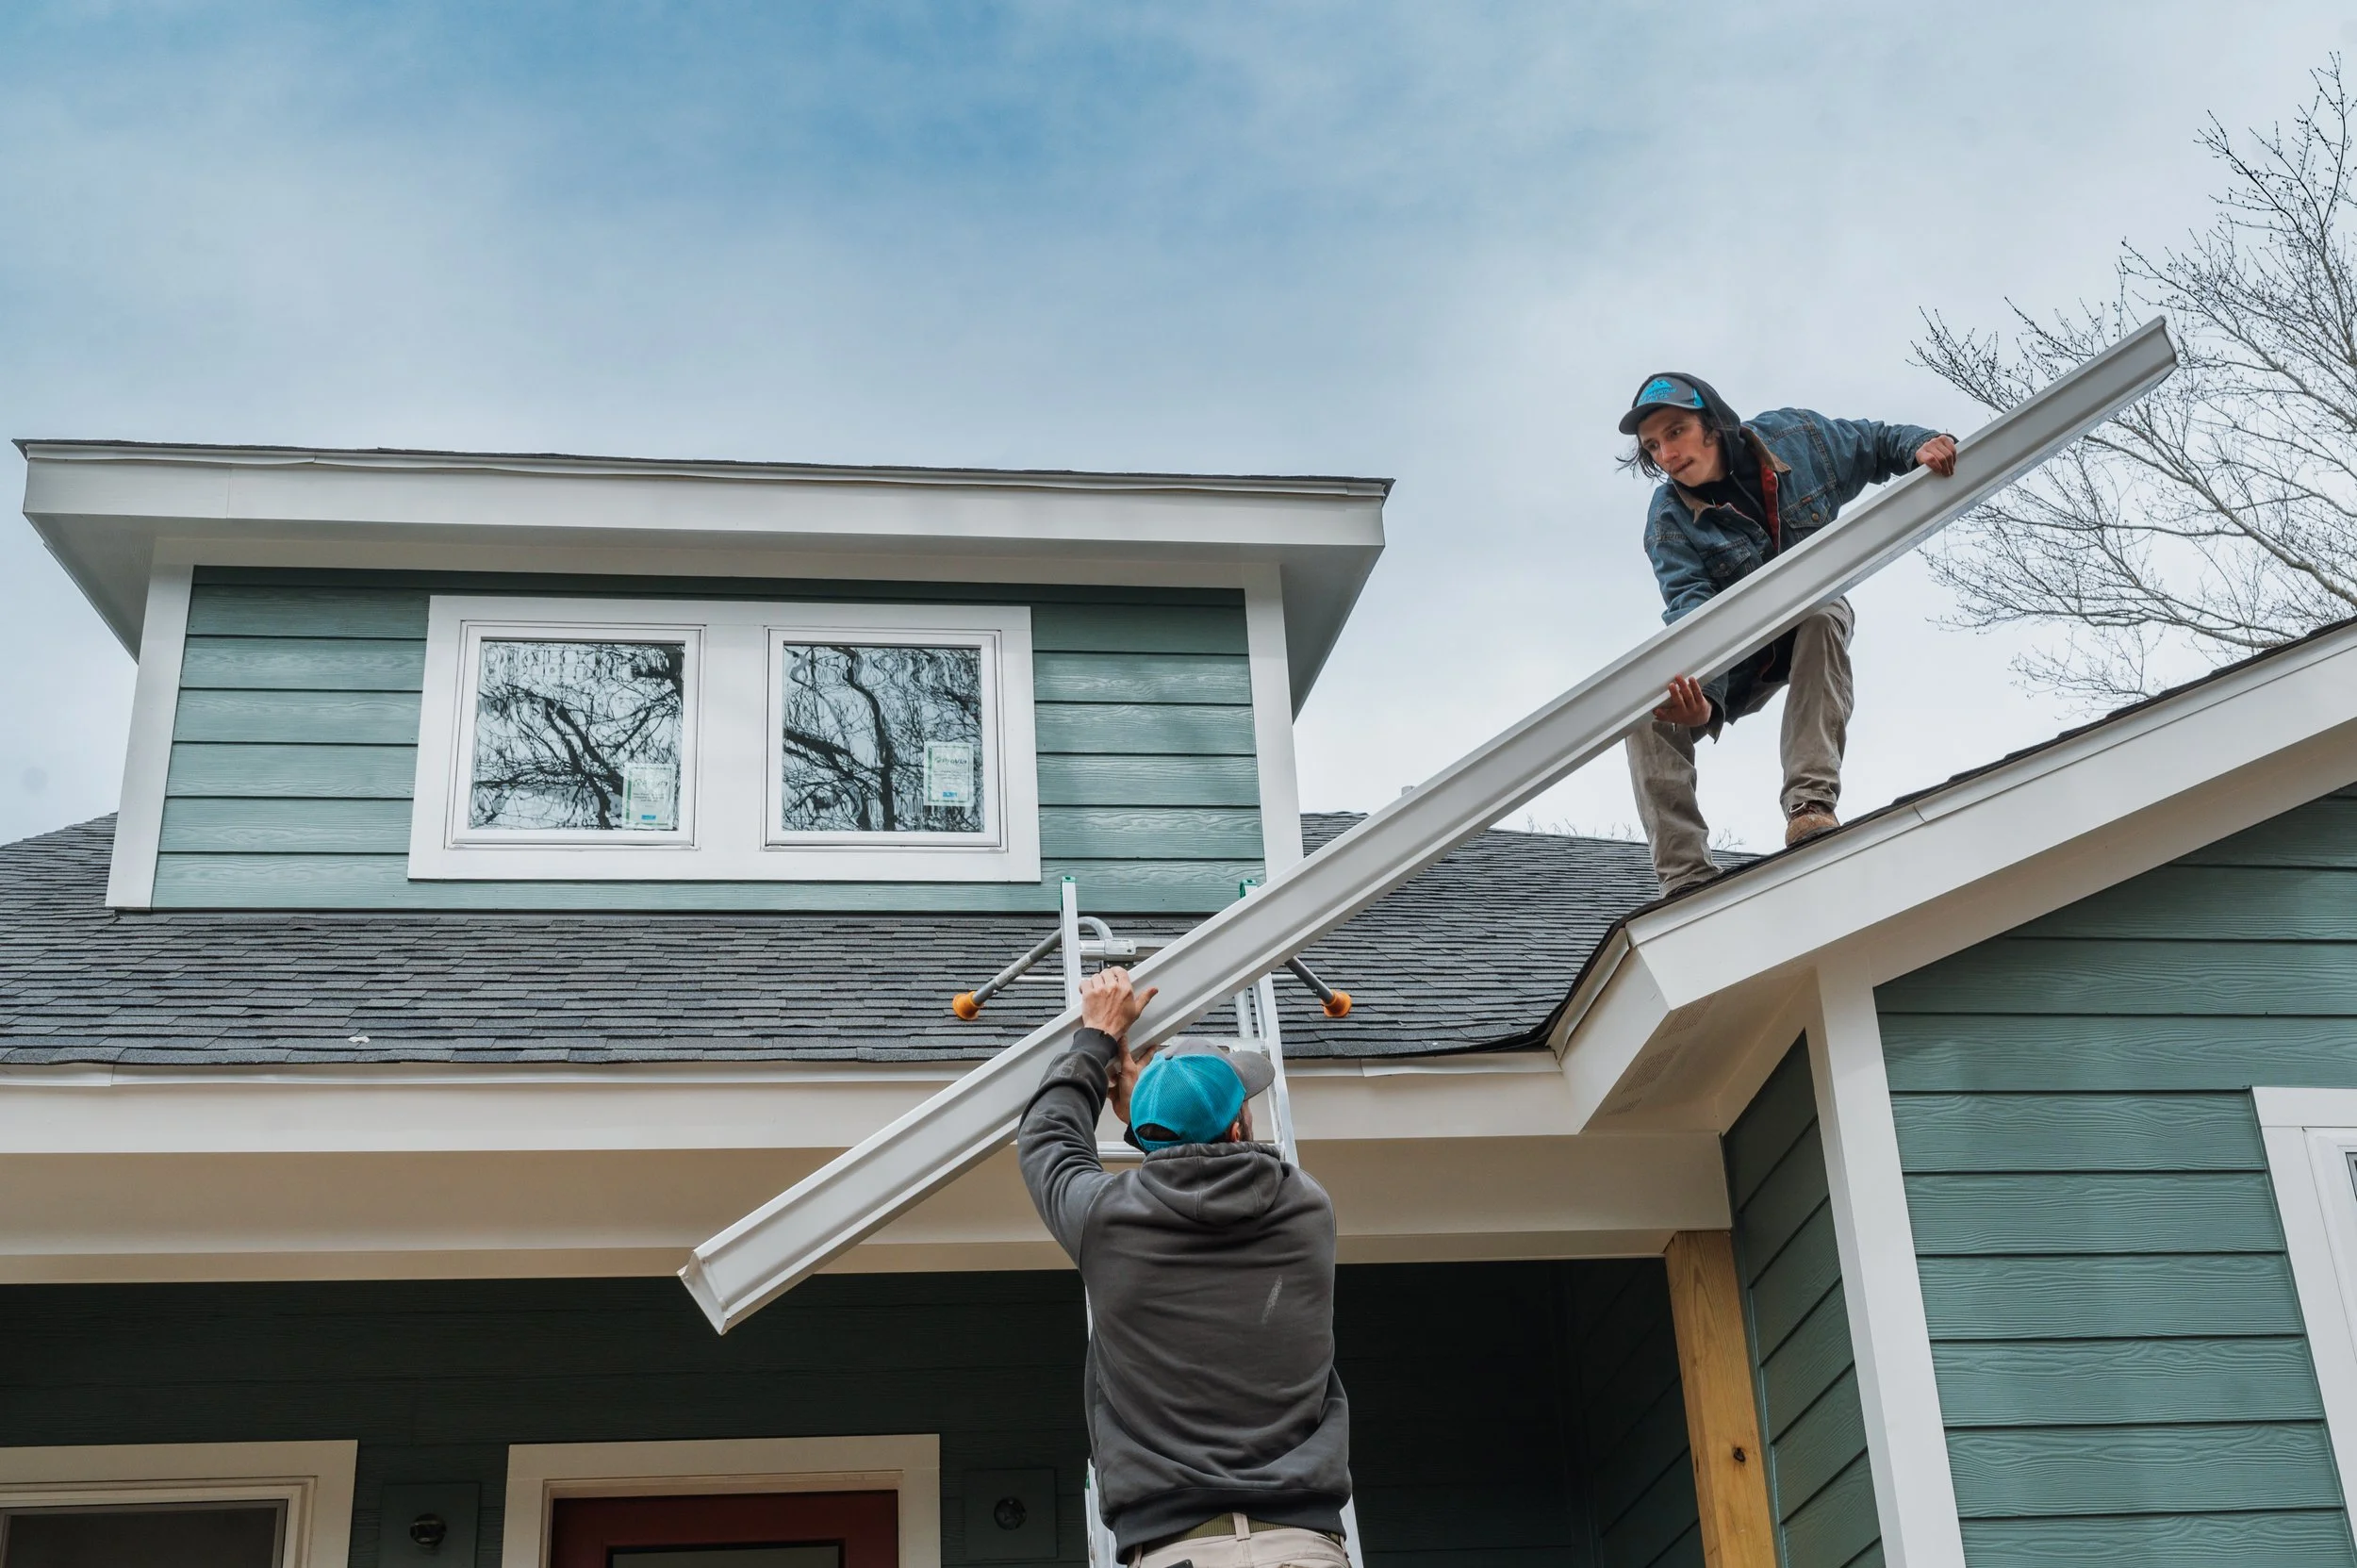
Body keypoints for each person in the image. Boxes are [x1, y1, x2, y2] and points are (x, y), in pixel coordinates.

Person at [1018, 966, 1352, 1568]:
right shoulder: (1308, 1209)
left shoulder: (1105, 1220)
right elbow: (1212, 1171)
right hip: (1303, 1545)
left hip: (1176, 1548)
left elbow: (1048, 1137)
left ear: (1148, 1142)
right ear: (1238, 1127)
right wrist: (1153, 1121)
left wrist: (1096, 1039)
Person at [1619, 371, 1958, 895]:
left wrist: (1921, 446)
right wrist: (1704, 701)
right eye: (1652, 446)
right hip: (1739, 659)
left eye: (1676, 432)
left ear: (1713, 422)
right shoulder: (1668, 519)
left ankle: (1809, 806)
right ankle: (1685, 876)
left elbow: (1872, 443)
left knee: (1823, 614)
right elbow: (1691, 606)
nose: (1666, 453)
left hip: (1809, 623)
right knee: (1642, 710)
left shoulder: (1796, 439)